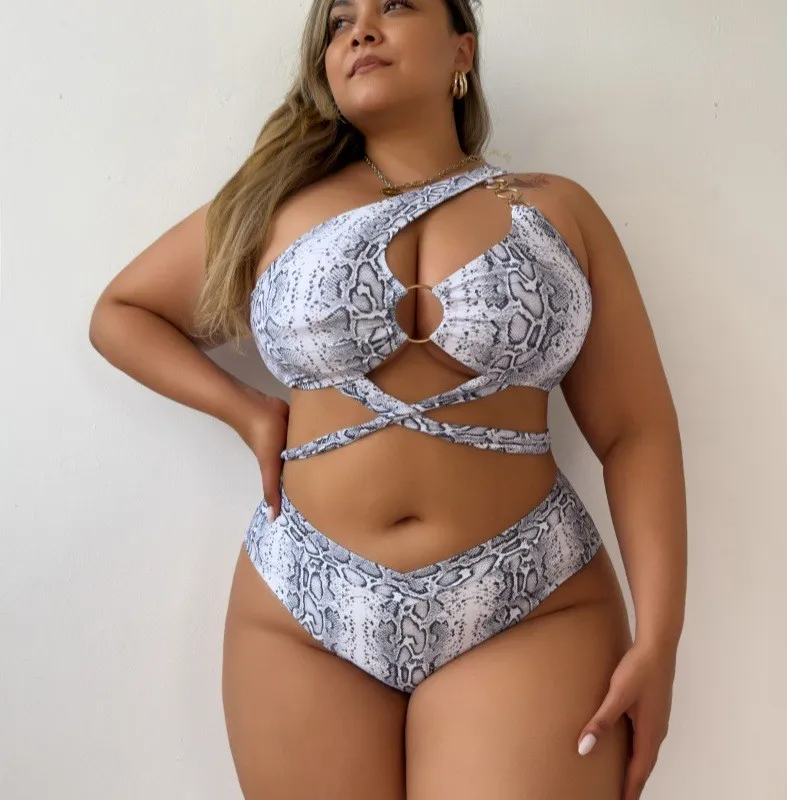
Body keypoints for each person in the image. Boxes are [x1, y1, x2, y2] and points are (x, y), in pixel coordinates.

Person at [88, 0, 687, 797]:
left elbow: (635, 430)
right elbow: (121, 314)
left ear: (462, 51)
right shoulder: (271, 209)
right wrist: (249, 411)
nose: (362, 30)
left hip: (533, 600)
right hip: (303, 604)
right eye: (340, 21)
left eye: (395, 5)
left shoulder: (555, 210)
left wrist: (662, 641)